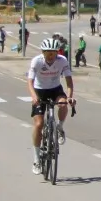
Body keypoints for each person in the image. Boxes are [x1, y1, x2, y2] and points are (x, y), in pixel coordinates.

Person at [26, 36, 75, 173]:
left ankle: (59, 127)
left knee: (63, 104)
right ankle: (36, 160)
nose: (51, 55)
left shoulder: (62, 61)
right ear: (43, 52)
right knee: (39, 124)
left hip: (55, 90)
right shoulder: (37, 61)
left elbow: (69, 82)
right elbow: (30, 81)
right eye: (48, 53)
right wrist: (34, 96)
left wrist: (70, 97)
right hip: (39, 91)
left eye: (53, 52)